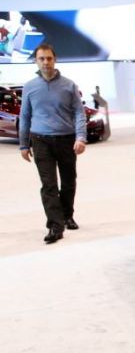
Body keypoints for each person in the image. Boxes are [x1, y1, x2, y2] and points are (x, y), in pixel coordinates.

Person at [18, 42, 87, 244]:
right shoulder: (30, 87)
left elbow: (79, 113)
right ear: (36, 61)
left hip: (66, 140)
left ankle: (67, 215)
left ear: (55, 59)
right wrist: (24, 144)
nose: (46, 62)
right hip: (40, 141)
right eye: (41, 58)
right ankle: (55, 226)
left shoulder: (69, 85)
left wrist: (80, 137)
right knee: (49, 185)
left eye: (49, 58)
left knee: (68, 182)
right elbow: (25, 116)